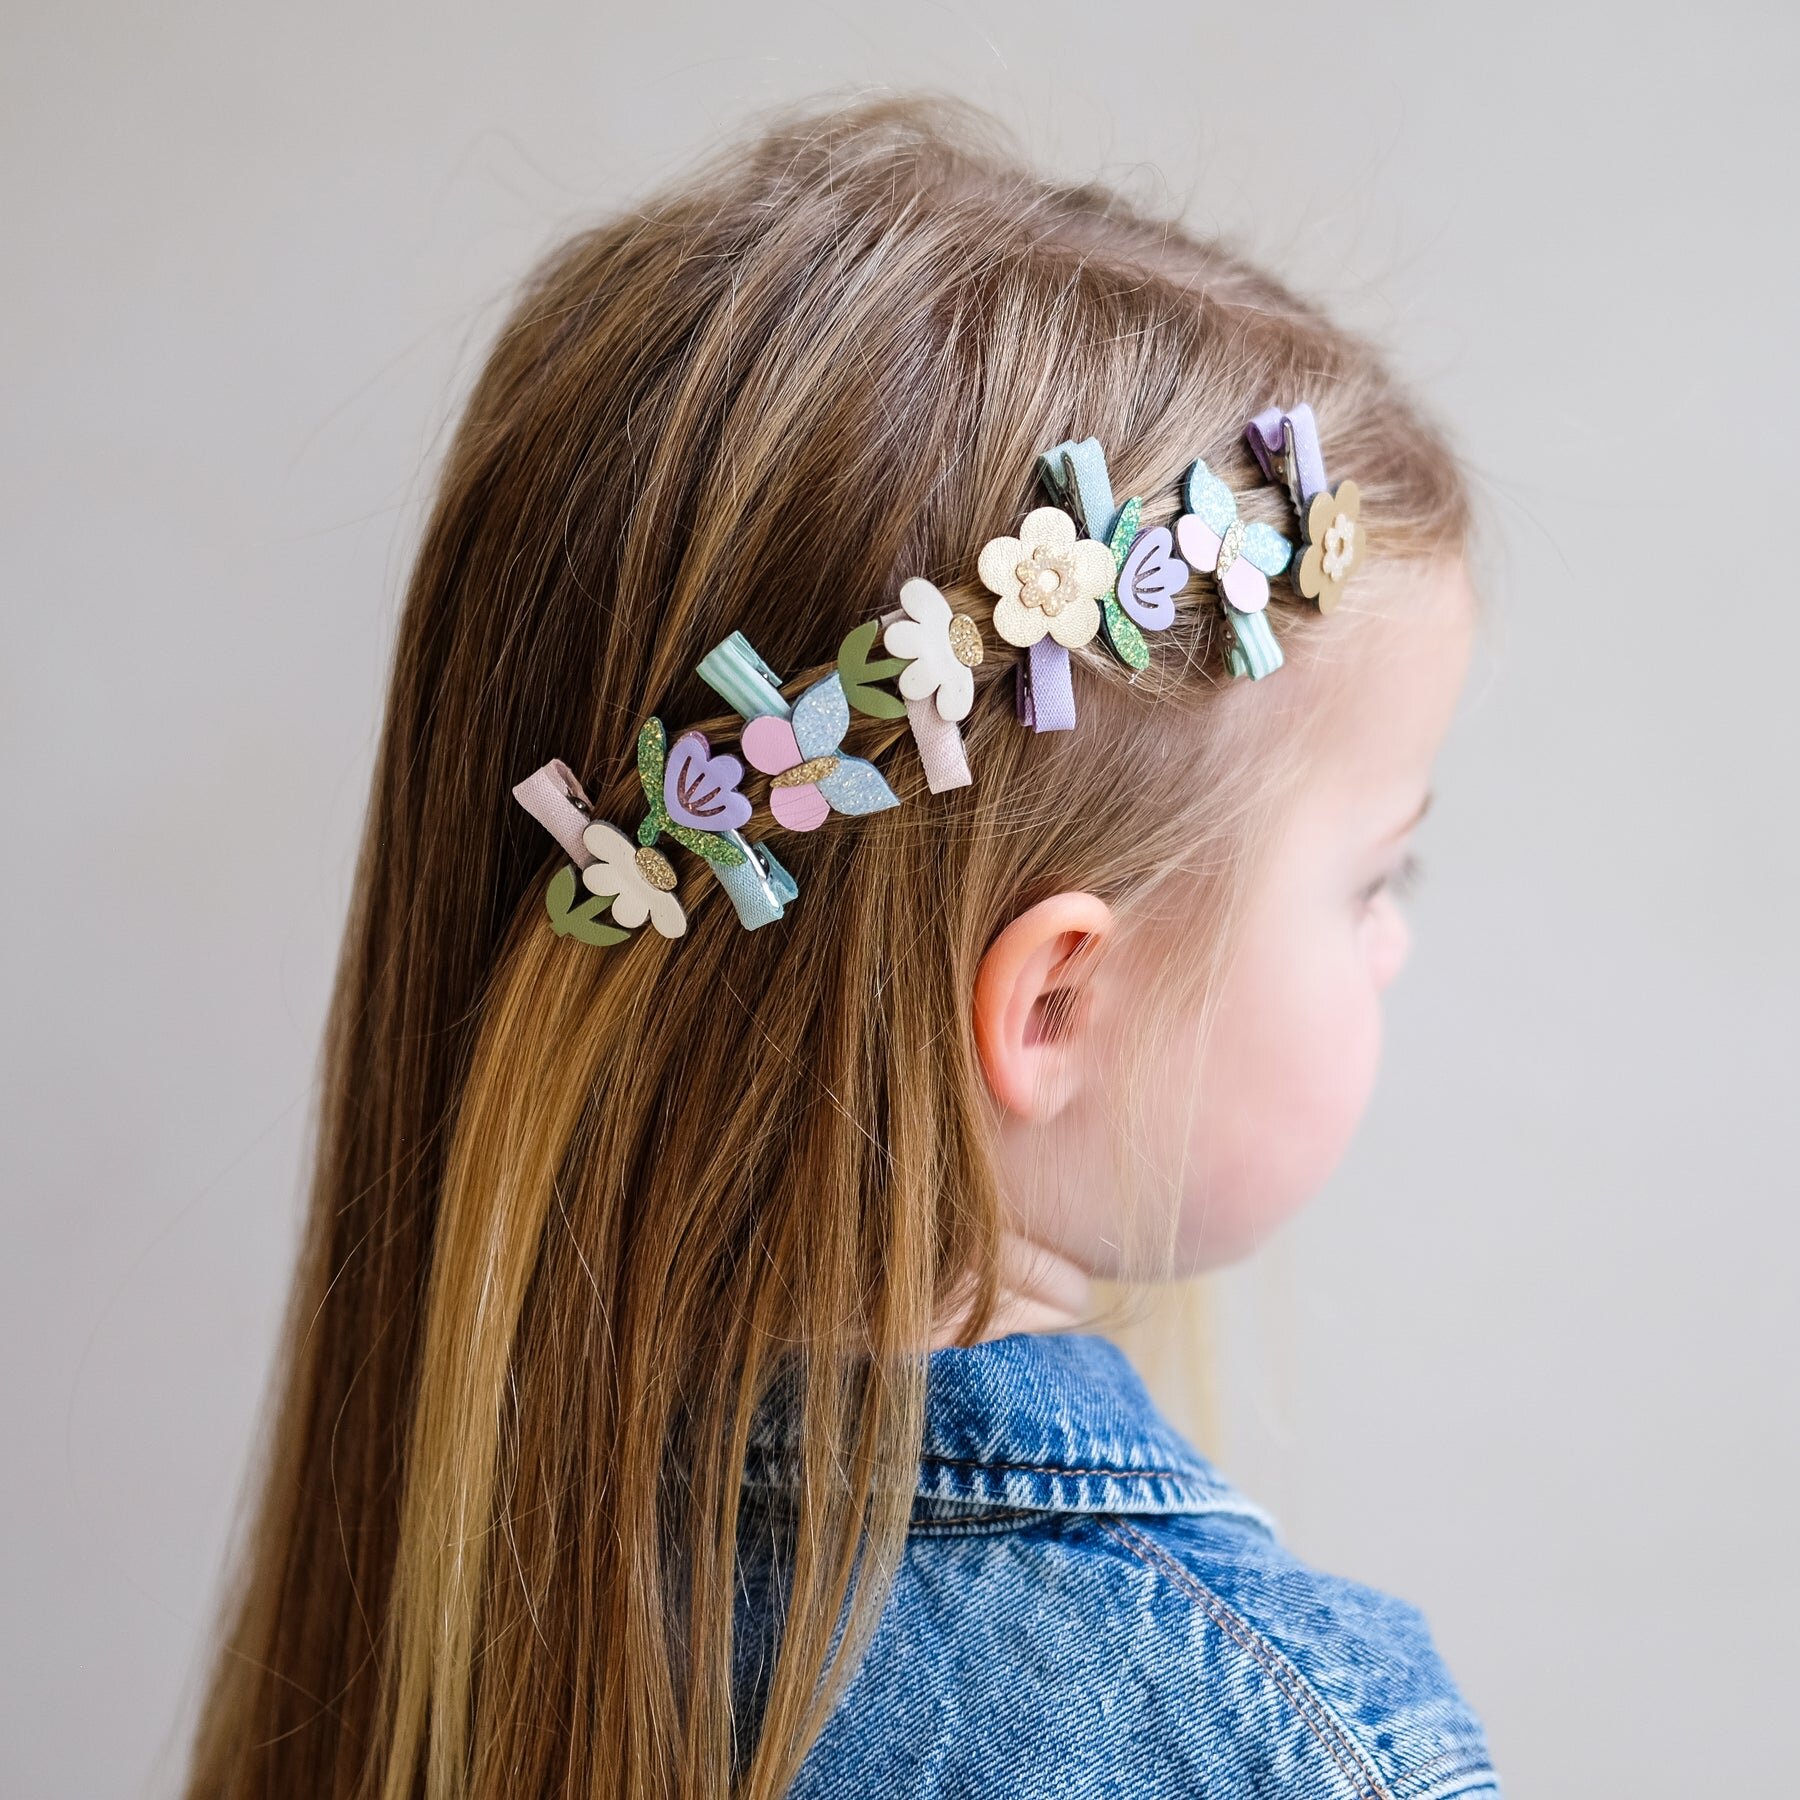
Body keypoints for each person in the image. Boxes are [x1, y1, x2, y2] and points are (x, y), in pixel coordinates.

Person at [185, 94, 1500, 1800]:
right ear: (1057, 1003)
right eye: (1377, 878)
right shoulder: (1276, 1734)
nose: (1394, 946)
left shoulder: (437, 1612)